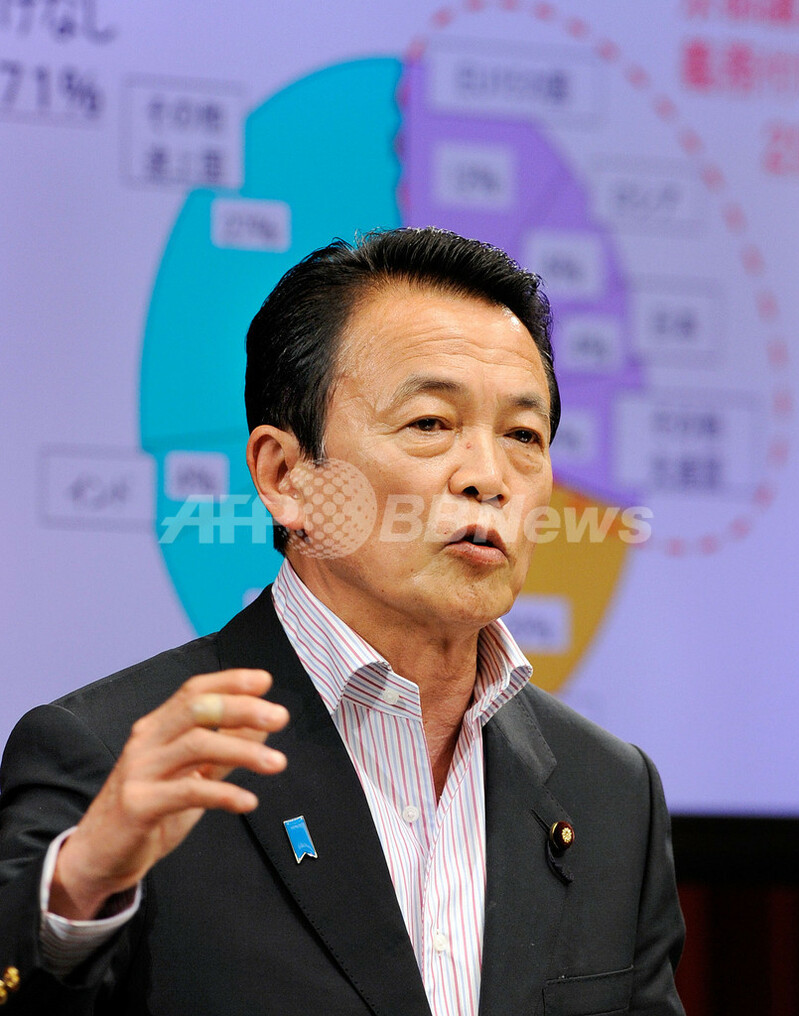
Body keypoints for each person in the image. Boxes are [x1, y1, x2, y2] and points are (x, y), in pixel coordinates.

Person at [0, 227, 685, 1015]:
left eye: (523, 436)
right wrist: (78, 892)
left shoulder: (611, 792)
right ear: (286, 476)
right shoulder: (116, 760)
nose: (488, 476)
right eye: (430, 424)